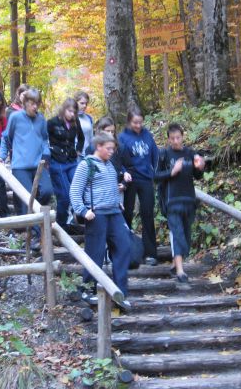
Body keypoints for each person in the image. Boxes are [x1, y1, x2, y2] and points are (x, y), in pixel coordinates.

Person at [69, 132, 131, 311]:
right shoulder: (86, 165)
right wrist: (82, 210)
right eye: (109, 148)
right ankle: (88, 288)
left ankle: (120, 291)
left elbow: (111, 187)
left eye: (113, 148)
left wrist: (118, 204)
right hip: (97, 215)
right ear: (99, 147)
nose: (112, 152)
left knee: (123, 246)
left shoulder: (110, 165)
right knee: (95, 253)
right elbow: (74, 191)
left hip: (114, 213)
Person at [0, 88, 53, 250]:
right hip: (20, 166)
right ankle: (38, 234)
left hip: (38, 165)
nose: (35, 107)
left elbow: (44, 139)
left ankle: (35, 221)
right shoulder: (15, 117)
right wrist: (2, 155)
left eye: (37, 104)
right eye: (31, 103)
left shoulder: (41, 119)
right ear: (25, 103)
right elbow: (6, 136)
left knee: (48, 191)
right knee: (28, 198)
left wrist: (46, 154)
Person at [153, 123, 205, 283]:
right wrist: (172, 171)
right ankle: (181, 271)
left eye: (178, 137)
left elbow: (197, 176)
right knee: (178, 235)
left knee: (187, 237)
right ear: (168, 139)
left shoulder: (190, 153)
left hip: (188, 199)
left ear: (183, 137)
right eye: (172, 138)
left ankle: (177, 264)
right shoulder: (164, 154)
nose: (176, 141)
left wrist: (200, 167)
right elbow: (155, 176)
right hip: (171, 201)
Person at [119, 108, 159, 266]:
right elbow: (119, 159)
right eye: (135, 122)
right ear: (129, 121)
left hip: (146, 178)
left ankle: (151, 253)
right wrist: (123, 173)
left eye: (140, 122)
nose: (138, 125)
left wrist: (154, 171)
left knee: (148, 213)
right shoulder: (122, 137)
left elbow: (155, 154)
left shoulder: (147, 134)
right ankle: (126, 253)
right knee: (127, 214)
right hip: (130, 179)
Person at [48, 98, 84, 230]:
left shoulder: (76, 122)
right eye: (70, 111)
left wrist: (78, 150)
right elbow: (43, 138)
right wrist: (48, 153)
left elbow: (81, 137)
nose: (72, 114)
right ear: (64, 110)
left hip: (71, 160)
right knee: (64, 195)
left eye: (74, 112)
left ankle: (76, 219)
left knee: (77, 189)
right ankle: (60, 224)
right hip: (57, 162)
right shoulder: (52, 123)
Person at [74, 91, 93, 157]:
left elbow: (91, 137)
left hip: (88, 154)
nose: (84, 106)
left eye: (86, 104)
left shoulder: (89, 118)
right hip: (75, 155)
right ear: (75, 103)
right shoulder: (70, 118)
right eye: (82, 103)